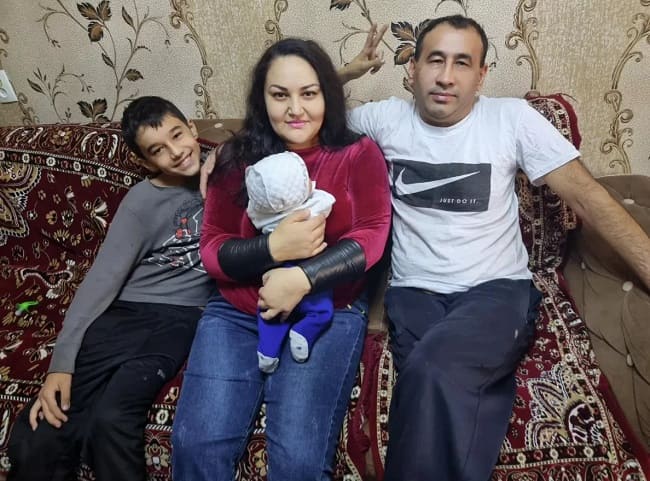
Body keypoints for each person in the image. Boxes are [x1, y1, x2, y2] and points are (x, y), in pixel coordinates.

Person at [336, 14, 650, 481]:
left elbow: (588, 196)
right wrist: (346, 73)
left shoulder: (511, 119)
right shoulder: (383, 119)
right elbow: (306, 115)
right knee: (434, 379)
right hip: (414, 293)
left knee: (433, 370)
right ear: (413, 68)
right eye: (435, 60)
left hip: (496, 291)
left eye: (462, 63)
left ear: (481, 75)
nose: (446, 76)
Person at [171, 38, 391, 480]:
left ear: (327, 94)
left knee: (297, 462)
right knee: (195, 445)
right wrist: (273, 250)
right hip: (238, 310)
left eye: (309, 93)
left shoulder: (357, 153)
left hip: (328, 311)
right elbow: (212, 250)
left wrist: (302, 278)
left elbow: (373, 235)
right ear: (262, 99)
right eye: (279, 95)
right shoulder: (237, 157)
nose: (295, 109)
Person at [7, 96, 214, 481]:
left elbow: (269, 135)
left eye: (177, 135)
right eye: (157, 150)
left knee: (112, 419)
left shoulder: (227, 173)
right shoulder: (141, 202)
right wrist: (61, 365)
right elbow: (101, 282)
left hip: (182, 317)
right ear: (145, 162)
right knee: (42, 431)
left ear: (192, 129)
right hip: (125, 312)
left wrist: (221, 156)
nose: (175, 152)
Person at [245, 151, 337, 372]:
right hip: (311, 270)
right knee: (322, 310)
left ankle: (267, 351)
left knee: (270, 312)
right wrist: (308, 191)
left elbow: (252, 211)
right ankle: (303, 332)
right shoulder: (316, 206)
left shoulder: (261, 215)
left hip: (275, 273)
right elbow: (329, 201)